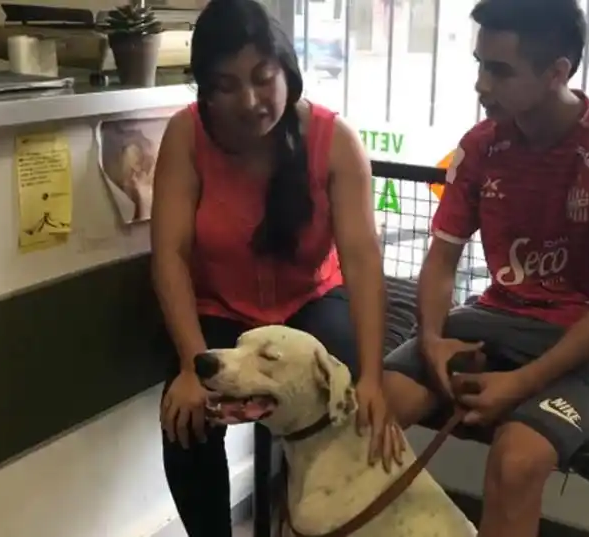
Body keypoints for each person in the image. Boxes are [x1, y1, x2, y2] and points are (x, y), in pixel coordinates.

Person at [382, 1, 589, 537]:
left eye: (500, 71)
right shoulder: (479, 145)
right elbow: (441, 260)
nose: (481, 85)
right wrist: (432, 340)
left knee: (516, 462)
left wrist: (520, 384)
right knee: (370, 413)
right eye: (479, 65)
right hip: (492, 317)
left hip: (582, 340)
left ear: (557, 72)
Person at [150, 2, 401, 536]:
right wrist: (192, 366)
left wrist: (373, 378)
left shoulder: (335, 140)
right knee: (185, 420)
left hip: (310, 299)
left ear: (287, 70)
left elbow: (361, 260)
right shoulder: (185, 135)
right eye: (226, 86)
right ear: (205, 90)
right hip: (221, 308)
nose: (250, 102)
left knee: (345, 400)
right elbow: (169, 254)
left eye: (263, 78)